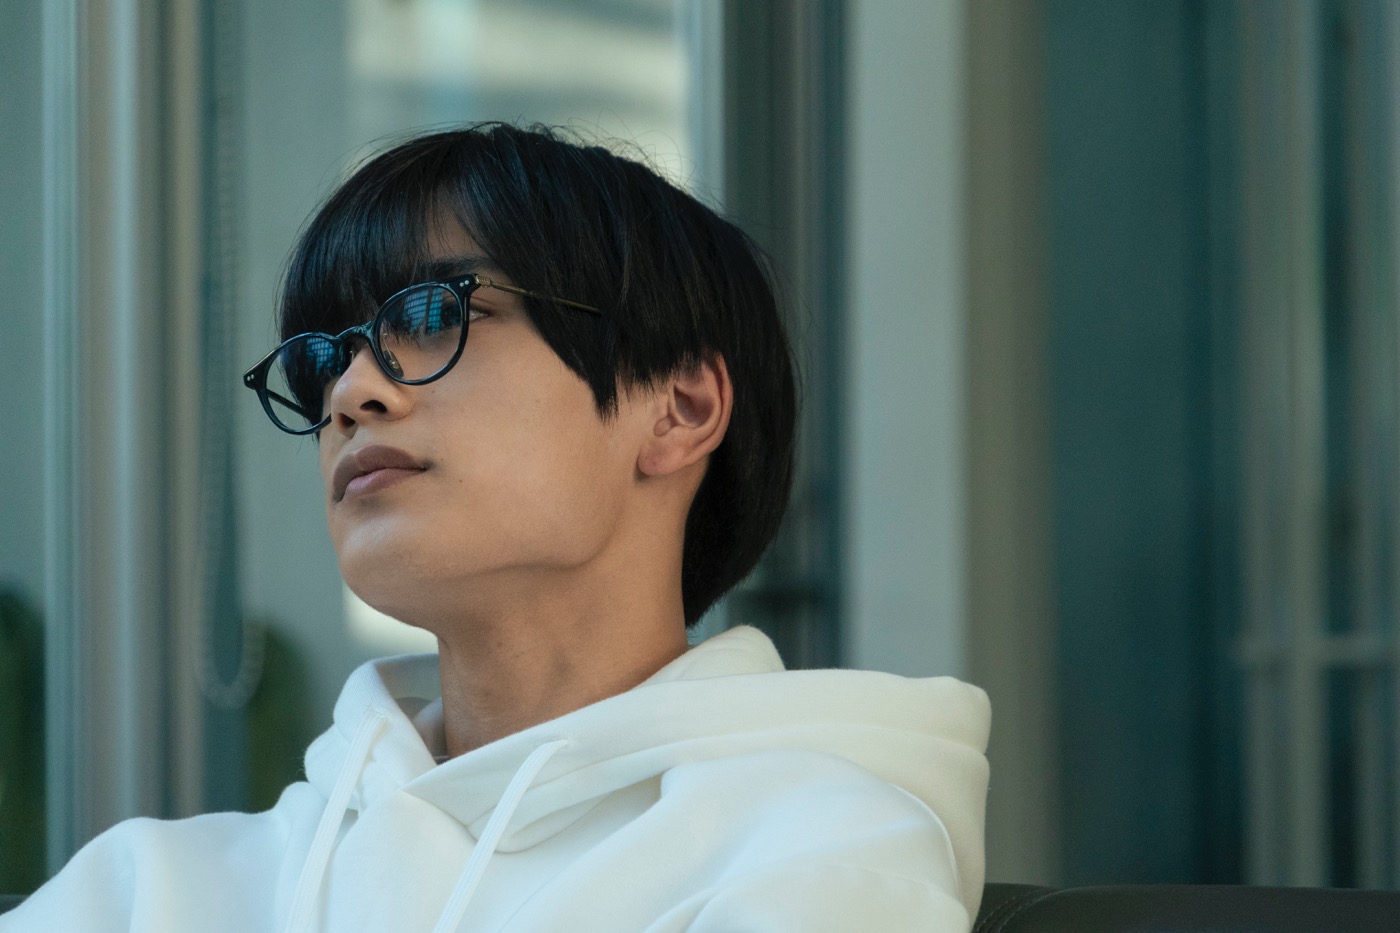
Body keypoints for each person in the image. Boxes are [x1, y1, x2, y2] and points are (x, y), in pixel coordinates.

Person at [4, 123, 990, 932]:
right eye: (323, 360)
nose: (349, 393)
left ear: (679, 408)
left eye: (433, 311)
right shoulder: (152, 891)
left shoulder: (818, 853)